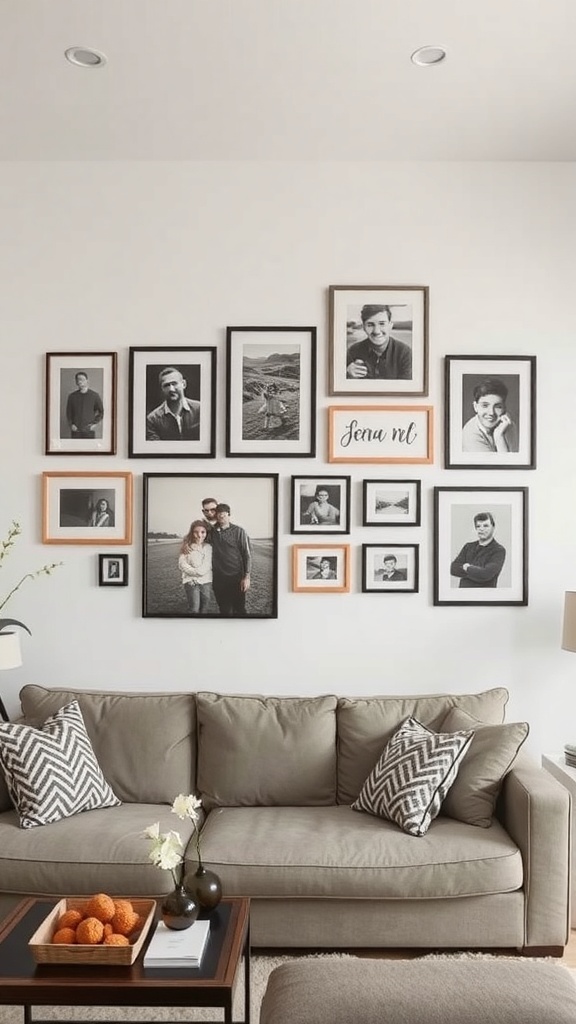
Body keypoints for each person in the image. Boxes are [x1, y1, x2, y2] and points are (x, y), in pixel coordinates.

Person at [346, 304, 412, 380]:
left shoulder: (405, 353)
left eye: (382, 324)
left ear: (390, 326)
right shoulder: (353, 351)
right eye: (370, 325)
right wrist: (348, 376)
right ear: (364, 327)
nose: (376, 331)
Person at [210, 503, 252, 615]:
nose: (221, 516)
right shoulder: (212, 531)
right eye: (219, 514)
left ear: (229, 515)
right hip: (218, 579)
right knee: (224, 610)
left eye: (224, 514)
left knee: (240, 609)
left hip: (236, 578)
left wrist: (246, 577)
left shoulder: (239, 531)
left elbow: (246, 554)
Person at [462, 378, 519, 453]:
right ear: (475, 407)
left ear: (504, 408)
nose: (491, 413)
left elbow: (517, 459)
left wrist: (499, 434)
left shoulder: (508, 425)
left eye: (498, 407)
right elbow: (505, 460)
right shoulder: (470, 434)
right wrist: (499, 437)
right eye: (485, 406)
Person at [450, 512, 506, 588]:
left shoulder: (499, 550)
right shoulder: (468, 546)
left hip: (485, 594)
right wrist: (476, 572)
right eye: (478, 526)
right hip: (463, 593)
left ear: (493, 527)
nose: (481, 529)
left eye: (485, 526)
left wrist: (467, 568)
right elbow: (453, 568)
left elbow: (485, 574)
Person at [146, 367, 200, 441]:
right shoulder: (152, 419)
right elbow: (155, 447)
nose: (171, 389)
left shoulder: (200, 409)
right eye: (166, 385)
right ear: (162, 389)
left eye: (174, 384)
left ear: (184, 384)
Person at [178, 520, 214, 615]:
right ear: (192, 533)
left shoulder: (208, 547)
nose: (199, 535)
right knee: (194, 609)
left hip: (205, 581)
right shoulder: (187, 546)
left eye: (202, 532)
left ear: (206, 533)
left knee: (204, 608)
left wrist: (195, 574)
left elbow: (206, 567)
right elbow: (182, 564)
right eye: (196, 532)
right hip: (191, 581)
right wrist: (193, 577)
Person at [65, 371, 104, 439]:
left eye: (82, 379)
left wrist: (94, 424)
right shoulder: (72, 396)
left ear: (87, 381)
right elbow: (69, 413)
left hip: (89, 431)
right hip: (76, 431)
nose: (80, 382)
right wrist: (71, 424)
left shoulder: (94, 396)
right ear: (76, 382)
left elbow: (101, 412)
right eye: (78, 380)